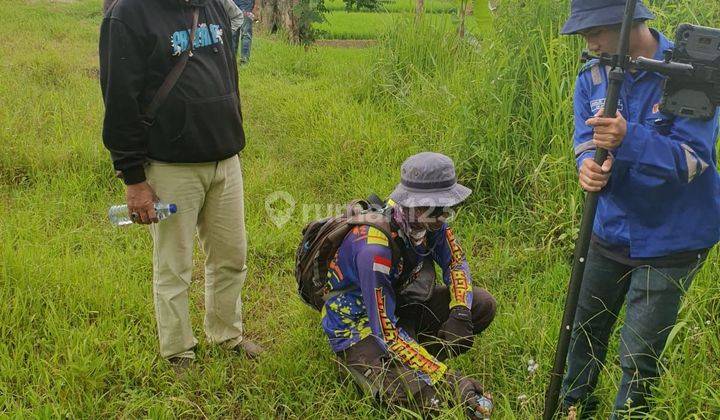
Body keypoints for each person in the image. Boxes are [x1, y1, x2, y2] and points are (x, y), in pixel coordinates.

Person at [560, 0, 720, 417]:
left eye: (596, 31)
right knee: (583, 334)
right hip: (608, 228)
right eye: (583, 34)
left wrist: (627, 140)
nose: (590, 42)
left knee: (638, 354)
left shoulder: (693, 73)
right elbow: (584, 137)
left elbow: (691, 159)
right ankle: (574, 408)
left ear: (631, 22)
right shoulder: (593, 75)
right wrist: (588, 169)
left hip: (672, 239)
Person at [99, 0, 263, 371]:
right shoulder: (129, 13)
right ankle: (178, 351)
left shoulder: (212, 5)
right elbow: (119, 99)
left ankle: (227, 336)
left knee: (232, 257)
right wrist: (134, 178)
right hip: (171, 166)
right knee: (174, 267)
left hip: (225, 159)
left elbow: (227, 73)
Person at [322, 152, 497, 417]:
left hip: (401, 307)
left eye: (446, 207)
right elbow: (385, 331)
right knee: (429, 402)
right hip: (363, 328)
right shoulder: (374, 249)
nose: (443, 217)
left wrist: (460, 311)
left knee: (481, 305)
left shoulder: (429, 222)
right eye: (436, 209)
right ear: (412, 205)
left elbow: (455, 262)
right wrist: (448, 378)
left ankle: (413, 359)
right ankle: (358, 364)